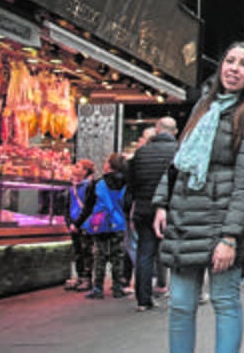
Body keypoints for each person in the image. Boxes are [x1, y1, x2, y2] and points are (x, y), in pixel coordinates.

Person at [153, 42, 244, 353]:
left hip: (221, 223)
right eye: (230, 60)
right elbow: (178, 160)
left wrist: (230, 236)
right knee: (180, 305)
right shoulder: (203, 105)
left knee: (225, 300)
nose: (234, 68)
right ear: (220, 66)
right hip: (185, 218)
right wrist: (162, 202)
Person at [128, 116, 178, 311]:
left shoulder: (140, 154)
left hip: (144, 208)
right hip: (172, 208)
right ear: (174, 132)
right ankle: (182, 295)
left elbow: (131, 184)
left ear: (157, 130)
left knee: (145, 253)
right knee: (177, 252)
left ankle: (143, 299)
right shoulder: (178, 151)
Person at [75, 152, 130, 299]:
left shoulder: (98, 183)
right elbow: (128, 204)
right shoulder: (126, 184)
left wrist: (78, 223)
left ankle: (98, 288)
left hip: (100, 224)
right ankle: (117, 287)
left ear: (109, 166)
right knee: (117, 256)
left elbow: (88, 207)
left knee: (99, 255)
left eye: (106, 162)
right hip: (118, 223)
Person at [63, 159, 95, 292]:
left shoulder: (89, 187)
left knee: (86, 251)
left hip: (85, 224)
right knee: (77, 252)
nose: (74, 168)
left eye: (78, 166)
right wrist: (69, 223)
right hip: (74, 224)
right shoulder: (72, 188)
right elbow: (67, 207)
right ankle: (79, 276)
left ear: (85, 171)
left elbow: (88, 207)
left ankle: (87, 278)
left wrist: (77, 223)